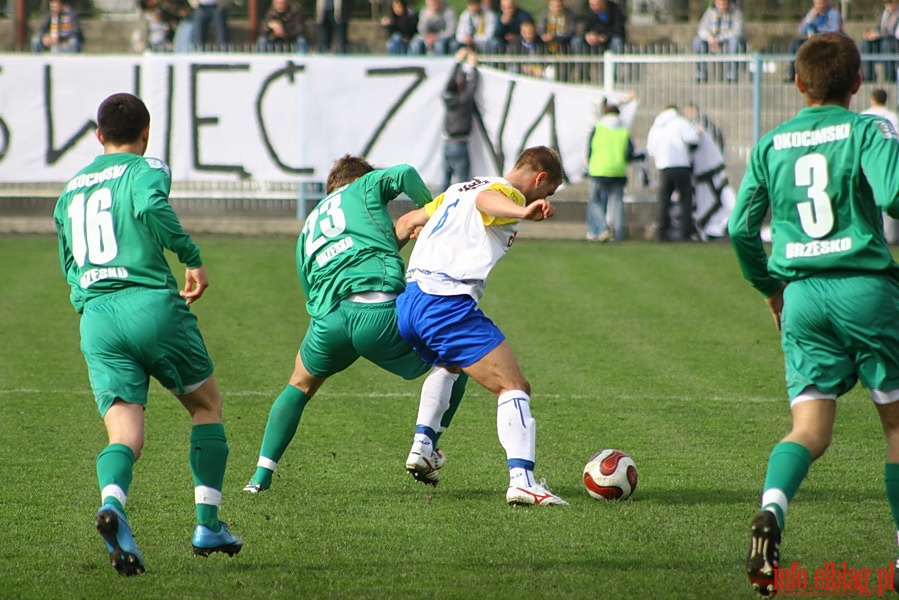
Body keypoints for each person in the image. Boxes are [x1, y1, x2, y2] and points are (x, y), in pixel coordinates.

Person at [729, 33, 899, 598]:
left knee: (809, 429)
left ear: (799, 83)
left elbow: (739, 227)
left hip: (800, 295)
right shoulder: (867, 129)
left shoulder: (771, 143)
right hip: (864, 287)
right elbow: (895, 196)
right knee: (897, 425)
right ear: (856, 83)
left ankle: (772, 512)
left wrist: (769, 288)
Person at [52, 93, 242, 576]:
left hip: (97, 317)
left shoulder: (70, 189)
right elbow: (153, 204)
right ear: (146, 133)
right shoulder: (145, 167)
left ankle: (113, 503)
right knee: (205, 406)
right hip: (150, 304)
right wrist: (191, 256)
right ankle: (207, 524)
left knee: (124, 433)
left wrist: (89, 303)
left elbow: (70, 263)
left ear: (98, 136)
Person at [243, 155, 468, 493]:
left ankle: (259, 478)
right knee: (457, 359)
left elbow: (315, 283)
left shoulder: (308, 227)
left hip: (329, 321)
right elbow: (404, 173)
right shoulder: (364, 185)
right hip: (378, 312)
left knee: (299, 386)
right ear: (362, 179)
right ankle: (428, 447)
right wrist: (435, 213)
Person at [394, 146, 569, 507]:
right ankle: (523, 480)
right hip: (445, 302)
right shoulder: (505, 193)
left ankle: (424, 447)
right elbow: (488, 202)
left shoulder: (460, 188)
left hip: (410, 302)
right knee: (514, 385)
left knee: (451, 363)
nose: (544, 200)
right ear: (540, 179)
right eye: (548, 192)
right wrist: (523, 209)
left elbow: (409, 220)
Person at [585, 101, 641, 243]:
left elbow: (589, 150)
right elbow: (629, 153)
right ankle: (618, 234)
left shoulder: (597, 128)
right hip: (618, 171)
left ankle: (603, 229)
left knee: (595, 202)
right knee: (617, 203)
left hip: (598, 169)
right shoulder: (624, 131)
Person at [646, 105, 701, 242]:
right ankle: (685, 233)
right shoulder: (681, 122)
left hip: (664, 167)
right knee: (685, 199)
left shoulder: (657, 126)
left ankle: (662, 232)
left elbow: (651, 149)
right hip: (682, 166)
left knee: (664, 200)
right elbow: (693, 139)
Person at [683, 102, 733, 241]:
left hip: (710, 172)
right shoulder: (705, 125)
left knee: (719, 200)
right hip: (711, 170)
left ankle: (719, 227)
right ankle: (718, 227)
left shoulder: (700, 125)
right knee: (721, 199)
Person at [441, 47, 480, 193]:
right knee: (463, 183)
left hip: (447, 143)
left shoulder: (446, 97)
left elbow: (449, 83)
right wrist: (473, 67)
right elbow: (472, 86)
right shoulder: (463, 101)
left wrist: (457, 62)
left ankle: (434, 212)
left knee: (445, 181)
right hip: (460, 143)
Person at [784, 0, 842, 82]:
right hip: (812, 39)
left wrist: (820, 34)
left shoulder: (834, 13)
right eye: (817, 3)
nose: (819, 5)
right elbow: (801, 30)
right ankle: (793, 74)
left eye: (821, 3)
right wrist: (810, 18)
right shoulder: (812, 13)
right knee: (795, 44)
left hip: (827, 40)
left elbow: (835, 30)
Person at [691, 0, 746, 83]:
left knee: (734, 41)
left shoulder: (736, 13)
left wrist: (719, 38)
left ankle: (731, 74)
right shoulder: (710, 12)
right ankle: (701, 74)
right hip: (711, 39)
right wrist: (709, 37)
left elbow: (736, 31)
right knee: (697, 41)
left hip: (727, 39)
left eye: (724, 4)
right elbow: (702, 28)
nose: (722, 6)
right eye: (719, 4)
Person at [862, 0, 899, 83]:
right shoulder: (884, 14)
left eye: (890, 2)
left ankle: (890, 78)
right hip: (881, 40)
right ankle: (869, 77)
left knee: (887, 44)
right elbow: (879, 28)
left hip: (894, 42)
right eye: (886, 2)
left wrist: (880, 34)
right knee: (865, 44)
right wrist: (871, 34)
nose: (888, 5)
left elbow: (896, 33)